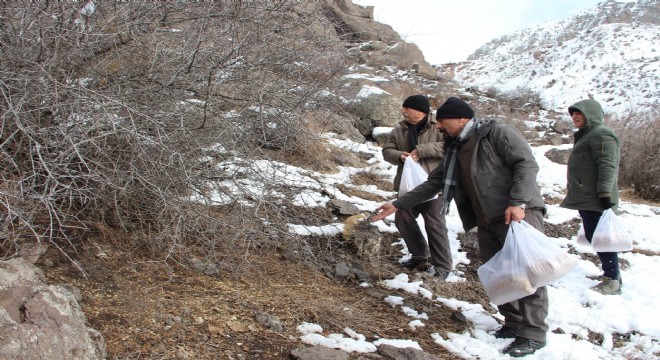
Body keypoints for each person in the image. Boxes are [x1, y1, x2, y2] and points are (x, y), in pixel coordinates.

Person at [372, 97, 548, 357]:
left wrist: (518, 201)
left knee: (526, 270)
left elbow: (526, 164)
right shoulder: (455, 148)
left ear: (461, 119)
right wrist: (398, 204)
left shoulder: (498, 133)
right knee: (497, 271)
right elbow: (434, 183)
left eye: (442, 122)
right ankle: (513, 322)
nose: (439, 127)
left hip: (518, 212)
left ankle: (533, 333)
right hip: (487, 219)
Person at [381, 94, 452, 279]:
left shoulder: (439, 125)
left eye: (407, 108)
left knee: (434, 223)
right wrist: (399, 156)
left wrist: (422, 150)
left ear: (420, 111)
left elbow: (450, 147)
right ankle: (421, 255)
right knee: (402, 217)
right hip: (408, 185)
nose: (403, 111)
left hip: (435, 185)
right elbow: (386, 150)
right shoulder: (399, 129)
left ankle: (443, 267)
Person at [561, 99, 622, 295]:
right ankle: (611, 274)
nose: (575, 117)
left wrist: (605, 193)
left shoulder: (601, 134)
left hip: (597, 197)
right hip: (587, 195)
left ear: (591, 113)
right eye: (573, 114)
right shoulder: (587, 135)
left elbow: (607, 165)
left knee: (603, 238)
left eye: (579, 113)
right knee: (595, 236)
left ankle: (612, 280)